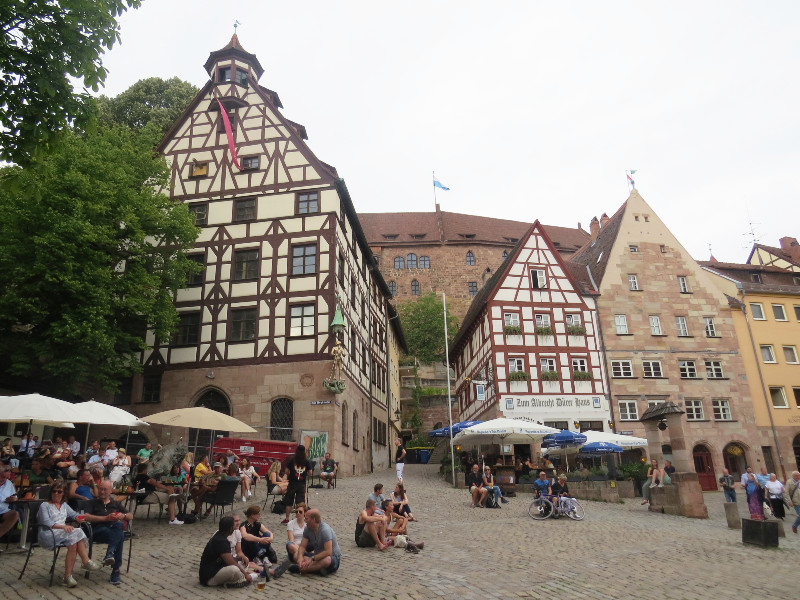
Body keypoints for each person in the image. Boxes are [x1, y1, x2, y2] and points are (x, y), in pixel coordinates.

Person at [37, 483, 102, 587]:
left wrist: (79, 517)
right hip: (48, 533)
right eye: (54, 491)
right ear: (51, 492)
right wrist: (63, 527)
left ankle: (67, 577)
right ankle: (86, 561)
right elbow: (46, 522)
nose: (56, 494)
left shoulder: (64, 505)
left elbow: (74, 514)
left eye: (59, 492)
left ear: (63, 494)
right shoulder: (45, 505)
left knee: (73, 544)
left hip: (63, 534)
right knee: (77, 532)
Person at [85, 480, 133, 585]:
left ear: (110, 491)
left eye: (105, 489)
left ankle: (110, 555)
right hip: (97, 531)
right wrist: (105, 518)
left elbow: (130, 515)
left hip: (113, 532)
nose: (102, 492)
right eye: (100, 489)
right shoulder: (91, 502)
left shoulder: (115, 503)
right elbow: (86, 516)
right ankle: (115, 570)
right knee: (119, 534)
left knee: (119, 527)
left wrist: (123, 516)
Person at [199, 516, 250, 588]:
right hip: (210, 577)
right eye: (233, 526)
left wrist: (240, 558)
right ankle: (239, 580)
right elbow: (230, 562)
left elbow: (228, 558)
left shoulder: (221, 537)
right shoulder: (221, 541)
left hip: (220, 567)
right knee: (234, 569)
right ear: (229, 528)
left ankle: (239, 579)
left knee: (244, 563)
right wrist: (246, 574)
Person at [293, 508, 340, 575]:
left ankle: (303, 569)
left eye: (307, 519)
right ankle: (317, 569)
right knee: (296, 555)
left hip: (332, 558)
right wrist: (300, 557)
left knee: (327, 561)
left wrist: (311, 559)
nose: (305, 521)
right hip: (317, 557)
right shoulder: (307, 528)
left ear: (313, 519)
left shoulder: (324, 530)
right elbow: (302, 546)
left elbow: (328, 552)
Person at [282, 445, 311, 524]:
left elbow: (286, 471)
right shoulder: (306, 461)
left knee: (289, 501)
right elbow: (310, 472)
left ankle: (287, 518)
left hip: (292, 483)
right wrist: (304, 475)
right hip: (301, 484)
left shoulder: (292, 460)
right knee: (300, 502)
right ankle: (300, 519)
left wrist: (291, 474)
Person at [0, 465, 21, 541]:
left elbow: (15, 497)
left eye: (6, 477)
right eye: (2, 476)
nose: (4, 479)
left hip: (3, 510)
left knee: (15, 514)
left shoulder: (8, 483)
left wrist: (12, 499)